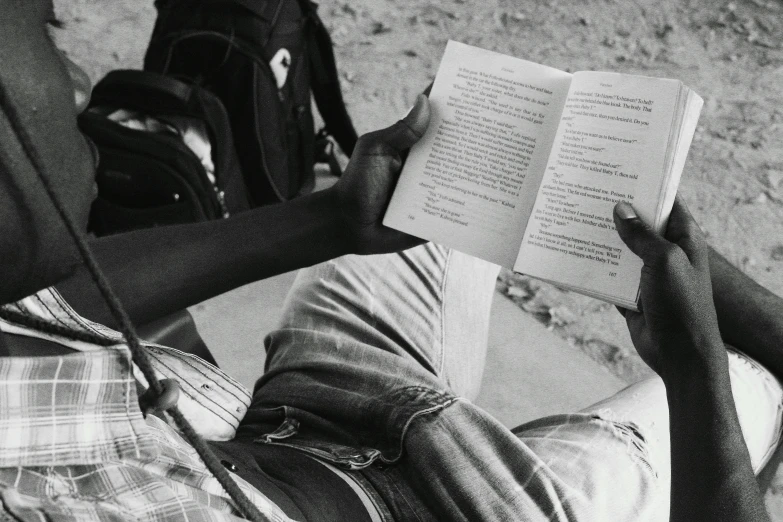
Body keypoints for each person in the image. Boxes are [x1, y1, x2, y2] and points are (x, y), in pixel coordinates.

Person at [1, 1, 782, 520]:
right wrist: (692, 370)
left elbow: (38, 297)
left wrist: (329, 220)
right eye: (49, 33)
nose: (74, 80)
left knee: (461, 181)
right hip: (469, 502)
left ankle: (694, 277)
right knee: (748, 386)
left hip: (299, 422)